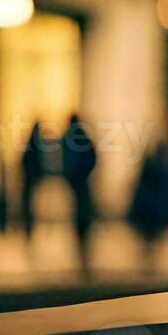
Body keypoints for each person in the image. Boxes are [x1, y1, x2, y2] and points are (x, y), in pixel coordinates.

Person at [61, 114, 97, 270]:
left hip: (77, 178)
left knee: (80, 207)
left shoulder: (71, 136)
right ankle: (82, 234)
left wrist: (72, 173)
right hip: (78, 178)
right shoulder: (79, 135)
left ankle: (81, 233)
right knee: (81, 206)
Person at [20, 121, 47, 240]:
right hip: (32, 180)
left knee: (30, 204)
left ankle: (29, 228)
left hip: (31, 179)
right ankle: (29, 228)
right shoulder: (35, 145)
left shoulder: (32, 145)